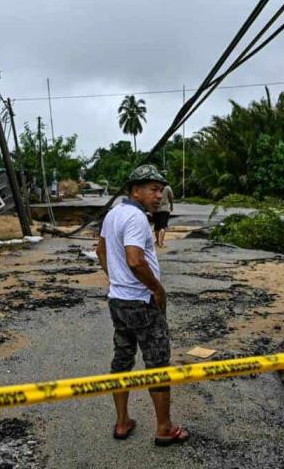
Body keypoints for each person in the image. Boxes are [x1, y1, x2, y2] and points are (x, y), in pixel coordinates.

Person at [95, 164, 190, 446]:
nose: (159, 195)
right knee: (157, 364)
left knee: (122, 360)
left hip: (119, 301)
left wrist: (115, 281)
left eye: (161, 190)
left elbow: (101, 250)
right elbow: (135, 259)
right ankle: (164, 428)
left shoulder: (113, 213)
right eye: (153, 189)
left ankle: (122, 422)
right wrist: (157, 289)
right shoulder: (136, 218)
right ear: (136, 190)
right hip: (141, 302)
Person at [153, 182, 174, 248]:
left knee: (156, 226)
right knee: (163, 226)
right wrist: (171, 206)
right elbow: (171, 198)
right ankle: (161, 243)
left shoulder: (156, 187)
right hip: (164, 209)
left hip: (156, 209)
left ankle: (157, 241)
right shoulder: (167, 188)